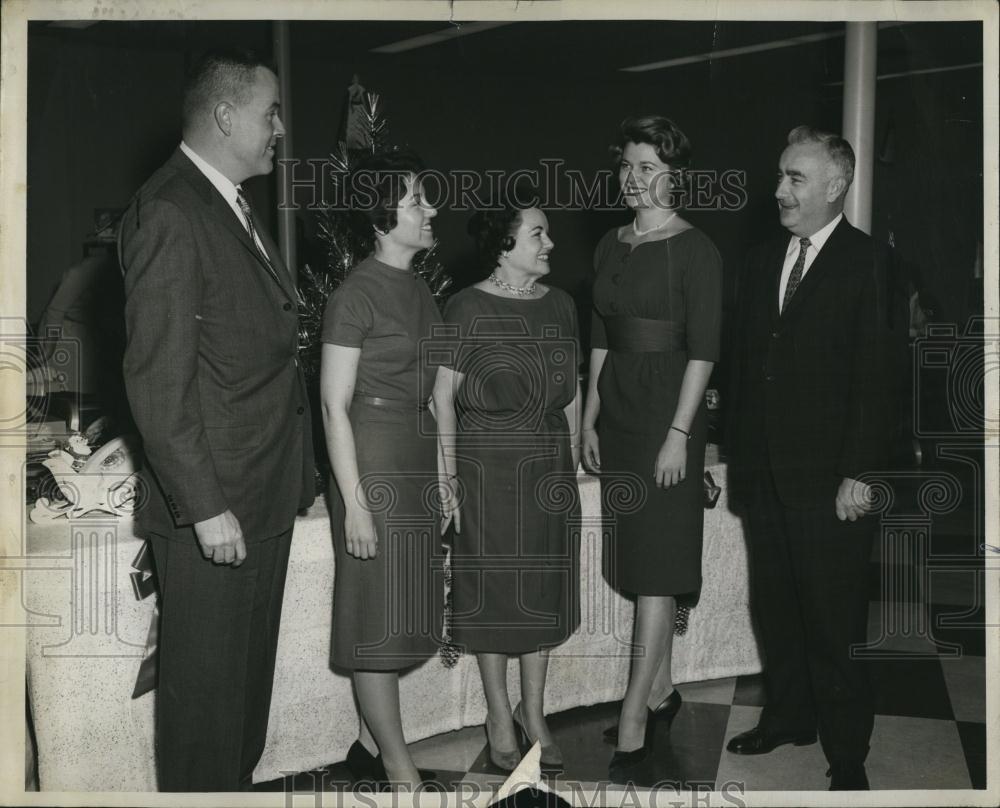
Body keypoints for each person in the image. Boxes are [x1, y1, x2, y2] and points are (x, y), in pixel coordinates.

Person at [119, 50, 314, 791]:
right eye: (270, 113)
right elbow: (156, 384)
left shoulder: (225, 202)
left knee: (241, 715)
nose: (280, 128)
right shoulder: (172, 210)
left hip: (257, 497)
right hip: (217, 511)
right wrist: (205, 509)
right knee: (205, 721)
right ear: (226, 116)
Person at [725, 125, 894, 791]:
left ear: (835, 186)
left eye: (795, 178)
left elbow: (881, 377)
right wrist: (731, 456)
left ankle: (847, 755)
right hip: (764, 475)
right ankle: (789, 717)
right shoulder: (763, 259)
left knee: (834, 618)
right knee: (778, 606)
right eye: (780, 176)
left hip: (831, 482)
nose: (779, 191)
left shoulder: (869, 262)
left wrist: (861, 471)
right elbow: (745, 370)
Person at [580, 115, 722, 778]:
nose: (632, 179)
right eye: (626, 166)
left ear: (675, 173)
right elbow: (602, 335)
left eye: (646, 167)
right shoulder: (611, 243)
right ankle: (661, 691)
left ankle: (635, 714)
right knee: (639, 565)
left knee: (658, 570)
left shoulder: (697, 250)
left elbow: (704, 353)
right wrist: (589, 416)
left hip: (669, 419)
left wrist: (679, 437)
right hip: (621, 419)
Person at [434, 199, 582, 773]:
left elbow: (568, 396)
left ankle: (535, 713)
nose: (549, 245)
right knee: (493, 588)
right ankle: (499, 715)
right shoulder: (465, 306)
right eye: (538, 234)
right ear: (505, 244)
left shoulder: (563, 305)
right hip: (486, 464)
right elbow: (442, 396)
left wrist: (569, 470)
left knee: (541, 585)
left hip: (547, 464)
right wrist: (448, 477)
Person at [320, 149, 451, 789]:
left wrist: (445, 476)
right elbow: (331, 404)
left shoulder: (422, 289)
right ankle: (401, 772)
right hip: (370, 458)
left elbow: (436, 394)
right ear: (379, 218)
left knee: (403, 605)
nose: (430, 210)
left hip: (415, 457)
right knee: (375, 617)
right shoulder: (354, 295)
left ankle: (370, 745)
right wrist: (356, 503)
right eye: (415, 202)